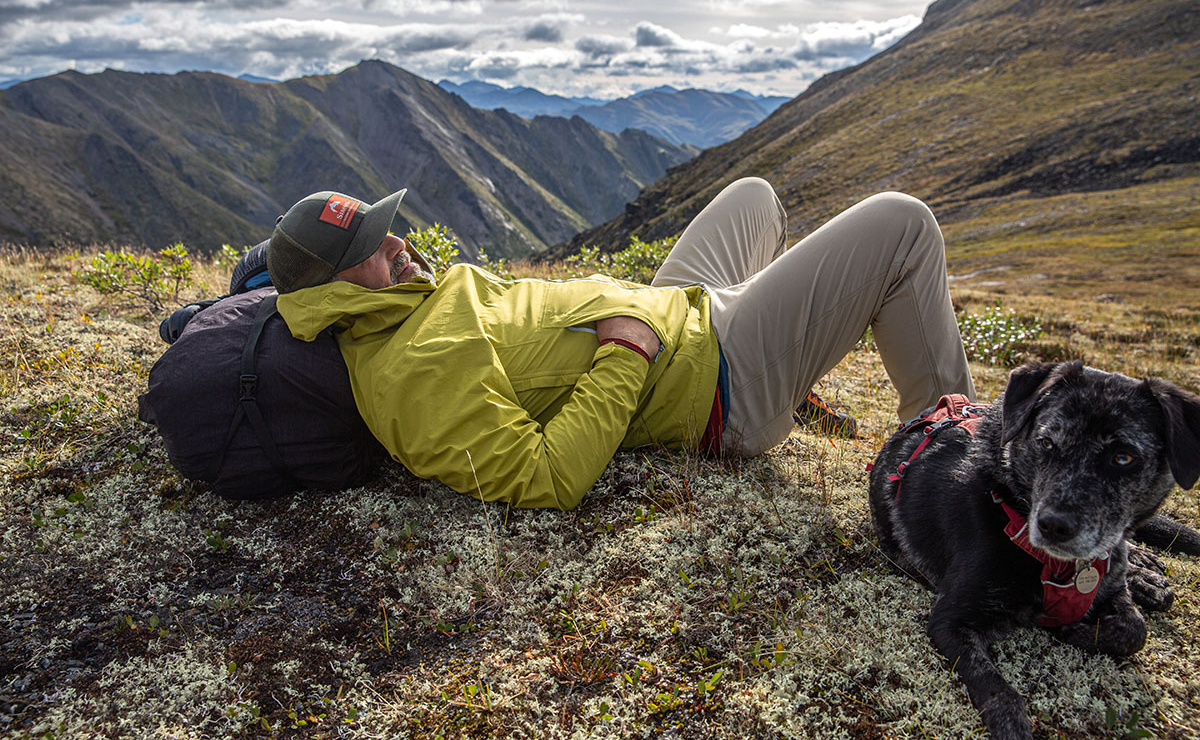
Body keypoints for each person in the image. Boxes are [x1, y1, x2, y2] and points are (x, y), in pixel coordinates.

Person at [266, 178, 975, 509]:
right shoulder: (410, 375)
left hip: (681, 309)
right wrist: (627, 353)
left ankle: (800, 370)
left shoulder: (408, 299)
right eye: (370, 245)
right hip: (715, 379)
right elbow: (541, 478)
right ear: (338, 289)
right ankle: (956, 470)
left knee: (754, 198)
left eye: (384, 226)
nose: (397, 240)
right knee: (902, 225)